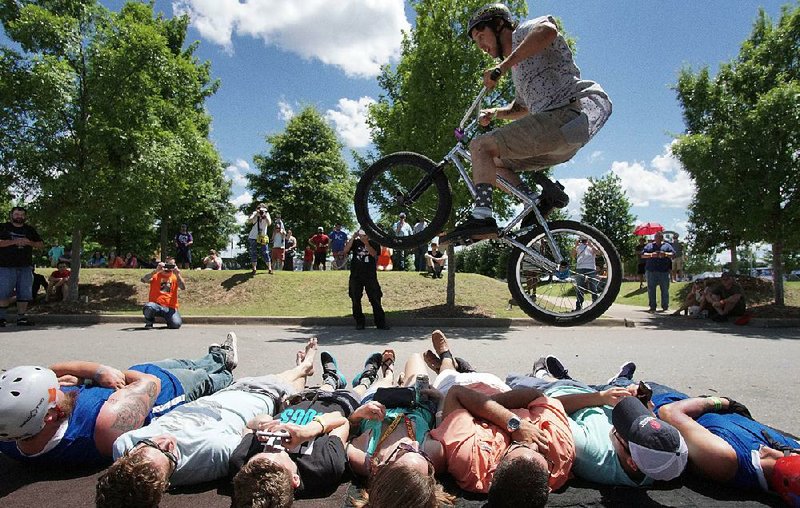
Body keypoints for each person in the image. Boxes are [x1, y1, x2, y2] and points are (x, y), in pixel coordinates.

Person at [440, 4, 611, 244]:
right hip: (562, 141)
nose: (481, 46)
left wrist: (501, 67)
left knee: (479, 146)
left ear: (499, 25)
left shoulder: (524, 32)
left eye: (481, 36)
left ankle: (482, 217)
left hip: (562, 117)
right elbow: (521, 108)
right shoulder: (518, 72)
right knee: (492, 162)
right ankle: (536, 201)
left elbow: (548, 30)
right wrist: (495, 113)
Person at [95, 338, 318, 507]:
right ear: (166, 485)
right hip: (257, 399)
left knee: (291, 387)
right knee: (285, 383)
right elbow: (248, 433)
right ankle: (304, 367)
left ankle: (301, 373)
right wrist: (261, 423)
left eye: (150, 445)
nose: (165, 441)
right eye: (169, 455)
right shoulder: (213, 455)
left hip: (220, 394)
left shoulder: (124, 445)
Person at [0, 333, 238, 467]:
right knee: (202, 377)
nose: (60, 384)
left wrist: (96, 373)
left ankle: (217, 356)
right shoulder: (104, 425)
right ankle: (224, 366)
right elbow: (149, 382)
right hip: (164, 392)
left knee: (188, 362)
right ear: (52, 415)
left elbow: (50, 371)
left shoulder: (12, 432)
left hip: (123, 386)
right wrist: (99, 374)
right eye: (55, 390)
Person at [421, 331, 575, 505]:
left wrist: (508, 420)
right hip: (500, 387)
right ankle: (461, 367)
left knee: (447, 375)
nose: (532, 442)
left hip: (458, 389)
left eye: (519, 446)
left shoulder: (473, 465)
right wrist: (497, 411)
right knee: (474, 377)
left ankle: (446, 359)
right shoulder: (560, 453)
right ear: (548, 485)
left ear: (496, 470)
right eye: (539, 451)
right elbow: (536, 396)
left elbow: (457, 393)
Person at [506, 356, 688, 487]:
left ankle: (543, 375)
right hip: (598, 398)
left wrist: (600, 397)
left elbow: (550, 406)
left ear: (632, 462)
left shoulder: (589, 451)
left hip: (559, 393)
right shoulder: (663, 462)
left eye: (623, 425)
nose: (627, 419)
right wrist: (643, 405)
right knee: (620, 387)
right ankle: (616, 380)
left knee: (512, 381)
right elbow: (658, 440)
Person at [229, 349, 379, 506]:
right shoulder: (323, 466)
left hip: (303, 401)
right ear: (295, 479)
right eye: (277, 452)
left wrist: (263, 422)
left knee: (325, 387)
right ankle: (366, 379)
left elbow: (249, 425)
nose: (274, 446)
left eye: (265, 450)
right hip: (338, 405)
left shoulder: (243, 467)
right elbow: (342, 422)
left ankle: (331, 379)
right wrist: (309, 431)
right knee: (357, 392)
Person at [348, 352, 456, 508]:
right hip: (418, 403)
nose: (415, 443)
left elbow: (348, 427)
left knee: (385, 381)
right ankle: (405, 380)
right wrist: (440, 400)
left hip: (378, 400)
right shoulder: (434, 454)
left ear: (382, 466)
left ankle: (388, 373)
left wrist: (358, 414)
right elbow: (441, 425)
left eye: (405, 450)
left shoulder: (361, 456)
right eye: (421, 454)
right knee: (415, 357)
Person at [656, 392, 800, 505]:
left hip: (657, 401)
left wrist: (723, 402)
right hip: (685, 400)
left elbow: (668, 412)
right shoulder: (791, 447)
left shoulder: (726, 459)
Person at [0, 206, 45, 327]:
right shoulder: (3, 227)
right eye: (16, 214)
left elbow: (41, 245)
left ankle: (21, 318)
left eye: (21, 215)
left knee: (24, 293)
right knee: (3, 293)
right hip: (5, 266)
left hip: (25, 266)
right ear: (11, 215)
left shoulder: (29, 230)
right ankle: (1, 318)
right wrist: (14, 242)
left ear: (24, 216)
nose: (19, 217)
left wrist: (29, 242)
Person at [344, 228, 388, 330]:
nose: (363, 235)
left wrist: (366, 243)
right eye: (361, 233)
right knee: (355, 298)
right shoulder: (355, 242)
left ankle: (380, 323)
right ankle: (359, 322)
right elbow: (345, 250)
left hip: (370, 275)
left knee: (375, 298)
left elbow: (374, 254)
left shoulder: (374, 242)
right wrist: (353, 238)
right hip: (356, 275)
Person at [140, 257, 185, 329]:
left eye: (171, 265)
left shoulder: (175, 277)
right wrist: (156, 271)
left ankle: (170, 320)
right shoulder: (156, 275)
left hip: (170, 307)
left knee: (176, 324)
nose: (168, 268)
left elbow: (183, 287)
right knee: (148, 307)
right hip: (156, 306)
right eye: (166, 265)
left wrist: (178, 274)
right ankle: (149, 322)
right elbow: (143, 280)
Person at [641, 231, 675, 313]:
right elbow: (643, 255)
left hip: (664, 271)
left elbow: (673, 254)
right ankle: (652, 306)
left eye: (660, 237)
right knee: (651, 290)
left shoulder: (667, 246)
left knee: (665, 290)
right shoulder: (649, 246)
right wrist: (652, 255)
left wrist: (665, 254)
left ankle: (665, 306)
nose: (658, 238)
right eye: (656, 237)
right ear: (654, 238)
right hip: (651, 271)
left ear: (662, 238)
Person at [573, 237, 598, 311]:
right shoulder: (578, 246)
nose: (583, 239)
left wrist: (591, 245)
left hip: (591, 268)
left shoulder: (591, 245)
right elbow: (573, 255)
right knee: (579, 288)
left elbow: (598, 253)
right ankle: (578, 307)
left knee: (593, 287)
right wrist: (575, 245)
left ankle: (595, 306)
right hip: (580, 268)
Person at [247, 203, 273, 275]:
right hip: (253, 236)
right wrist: (256, 215)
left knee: (265, 252)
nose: (261, 211)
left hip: (262, 236)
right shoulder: (255, 213)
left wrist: (265, 216)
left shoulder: (267, 214)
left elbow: (269, 223)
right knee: (253, 252)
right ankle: (254, 269)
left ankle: (270, 268)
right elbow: (249, 221)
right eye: (260, 209)